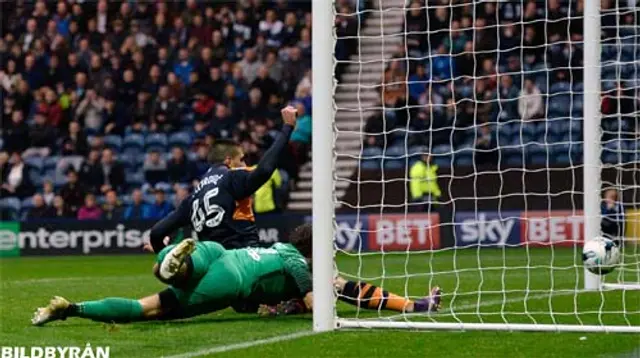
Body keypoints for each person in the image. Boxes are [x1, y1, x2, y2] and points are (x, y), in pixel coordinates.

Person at [31, 224, 440, 326]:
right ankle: (417, 305)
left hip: (218, 252)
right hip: (229, 282)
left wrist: (277, 305)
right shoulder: (300, 266)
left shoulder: (278, 251)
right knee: (150, 310)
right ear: (312, 251)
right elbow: (325, 306)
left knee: (161, 291)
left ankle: (73, 307)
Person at [146, 105, 299, 253]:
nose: (244, 164)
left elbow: (156, 233)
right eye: (241, 159)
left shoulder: (193, 197)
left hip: (212, 264)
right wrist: (287, 127)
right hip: (242, 261)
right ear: (228, 161)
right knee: (290, 257)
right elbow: (264, 170)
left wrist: (163, 251)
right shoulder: (231, 177)